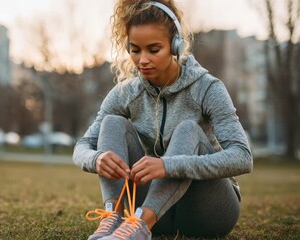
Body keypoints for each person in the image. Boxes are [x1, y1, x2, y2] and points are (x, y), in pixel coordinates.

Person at [73, 0, 253, 239]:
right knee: (112, 123)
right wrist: (96, 158)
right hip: (160, 212)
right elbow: (81, 147)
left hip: (211, 211)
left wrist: (168, 165)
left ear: (175, 46)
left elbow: (243, 157)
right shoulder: (126, 94)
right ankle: (114, 221)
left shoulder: (207, 88)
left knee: (188, 129)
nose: (142, 60)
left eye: (154, 49)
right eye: (135, 50)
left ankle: (139, 227)